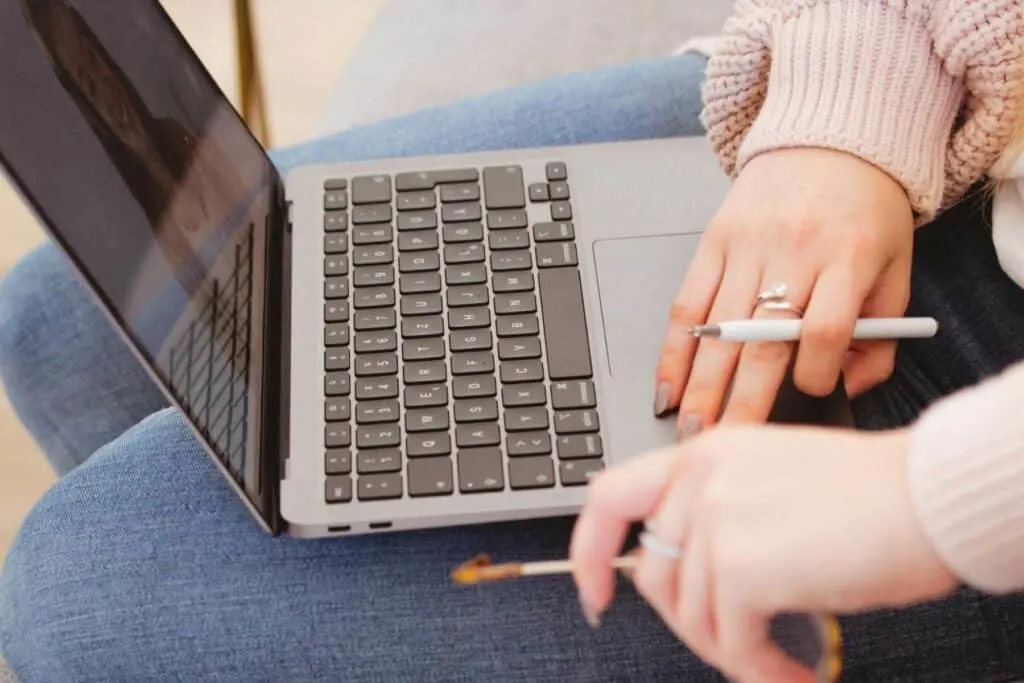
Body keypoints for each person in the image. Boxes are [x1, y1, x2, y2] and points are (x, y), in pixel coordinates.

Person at [0, 1, 1021, 681]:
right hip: (944, 87)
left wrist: (925, 496)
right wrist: (842, 116)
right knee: (55, 318)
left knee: (73, 587)